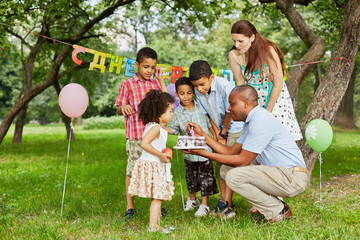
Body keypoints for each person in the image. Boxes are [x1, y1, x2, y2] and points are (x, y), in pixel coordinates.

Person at [184, 85, 308, 223]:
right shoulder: (252, 121)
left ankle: (278, 210)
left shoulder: (260, 121)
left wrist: (203, 153)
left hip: (292, 177)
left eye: (232, 104)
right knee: (227, 169)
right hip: (281, 173)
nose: (229, 109)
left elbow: (242, 161)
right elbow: (230, 152)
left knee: (233, 176)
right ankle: (273, 204)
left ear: (246, 103)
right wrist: (203, 135)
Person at [115, 47, 168, 221]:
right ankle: (130, 207)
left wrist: (160, 80)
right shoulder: (127, 85)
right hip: (136, 137)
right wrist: (122, 108)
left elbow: (168, 103)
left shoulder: (155, 84)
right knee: (132, 171)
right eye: (146, 66)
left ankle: (157, 205)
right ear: (136, 65)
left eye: (153, 67)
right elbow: (118, 108)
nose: (149, 71)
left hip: (154, 138)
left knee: (156, 171)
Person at [228, 20, 302, 141]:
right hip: (254, 101)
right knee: (256, 140)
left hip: (275, 98)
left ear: (252, 37)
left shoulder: (268, 51)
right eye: (234, 41)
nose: (237, 45)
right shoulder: (234, 55)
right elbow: (240, 84)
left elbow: (278, 84)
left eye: (240, 41)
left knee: (276, 140)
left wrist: (267, 112)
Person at [189, 60, 243, 219]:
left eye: (202, 84)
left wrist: (224, 134)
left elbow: (230, 113)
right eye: (196, 86)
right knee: (219, 163)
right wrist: (216, 135)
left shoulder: (225, 87)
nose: (199, 89)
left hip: (234, 128)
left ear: (211, 77)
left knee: (228, 163)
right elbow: (208, 114)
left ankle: (228, 205)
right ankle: (223, 200)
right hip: (219, 129)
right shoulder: (198, 91)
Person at [163, 77, 218, 217]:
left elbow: (211, 125)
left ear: (193, 93)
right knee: (191, 178)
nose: (186, 96)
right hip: (189, 153)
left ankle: (205, 204)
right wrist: (161, 127)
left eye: (188, 93)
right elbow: (173, 130)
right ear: (176, 94)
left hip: (205, 150)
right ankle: (192, 200)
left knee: (206, 178)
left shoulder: (201, 107)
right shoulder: (177, 113)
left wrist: (216, 139)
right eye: (182, 93)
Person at [128, 89, 175, 232]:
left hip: (154, 164)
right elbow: (144, 144)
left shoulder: (156, 126)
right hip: (153, 164)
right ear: (160, 112)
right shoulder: (155, 128)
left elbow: (163, 132)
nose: (172, 114)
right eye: (170, 111)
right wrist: (160, 155)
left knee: (157, 196)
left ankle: (157, 223)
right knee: (158, 197)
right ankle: (153, 226)